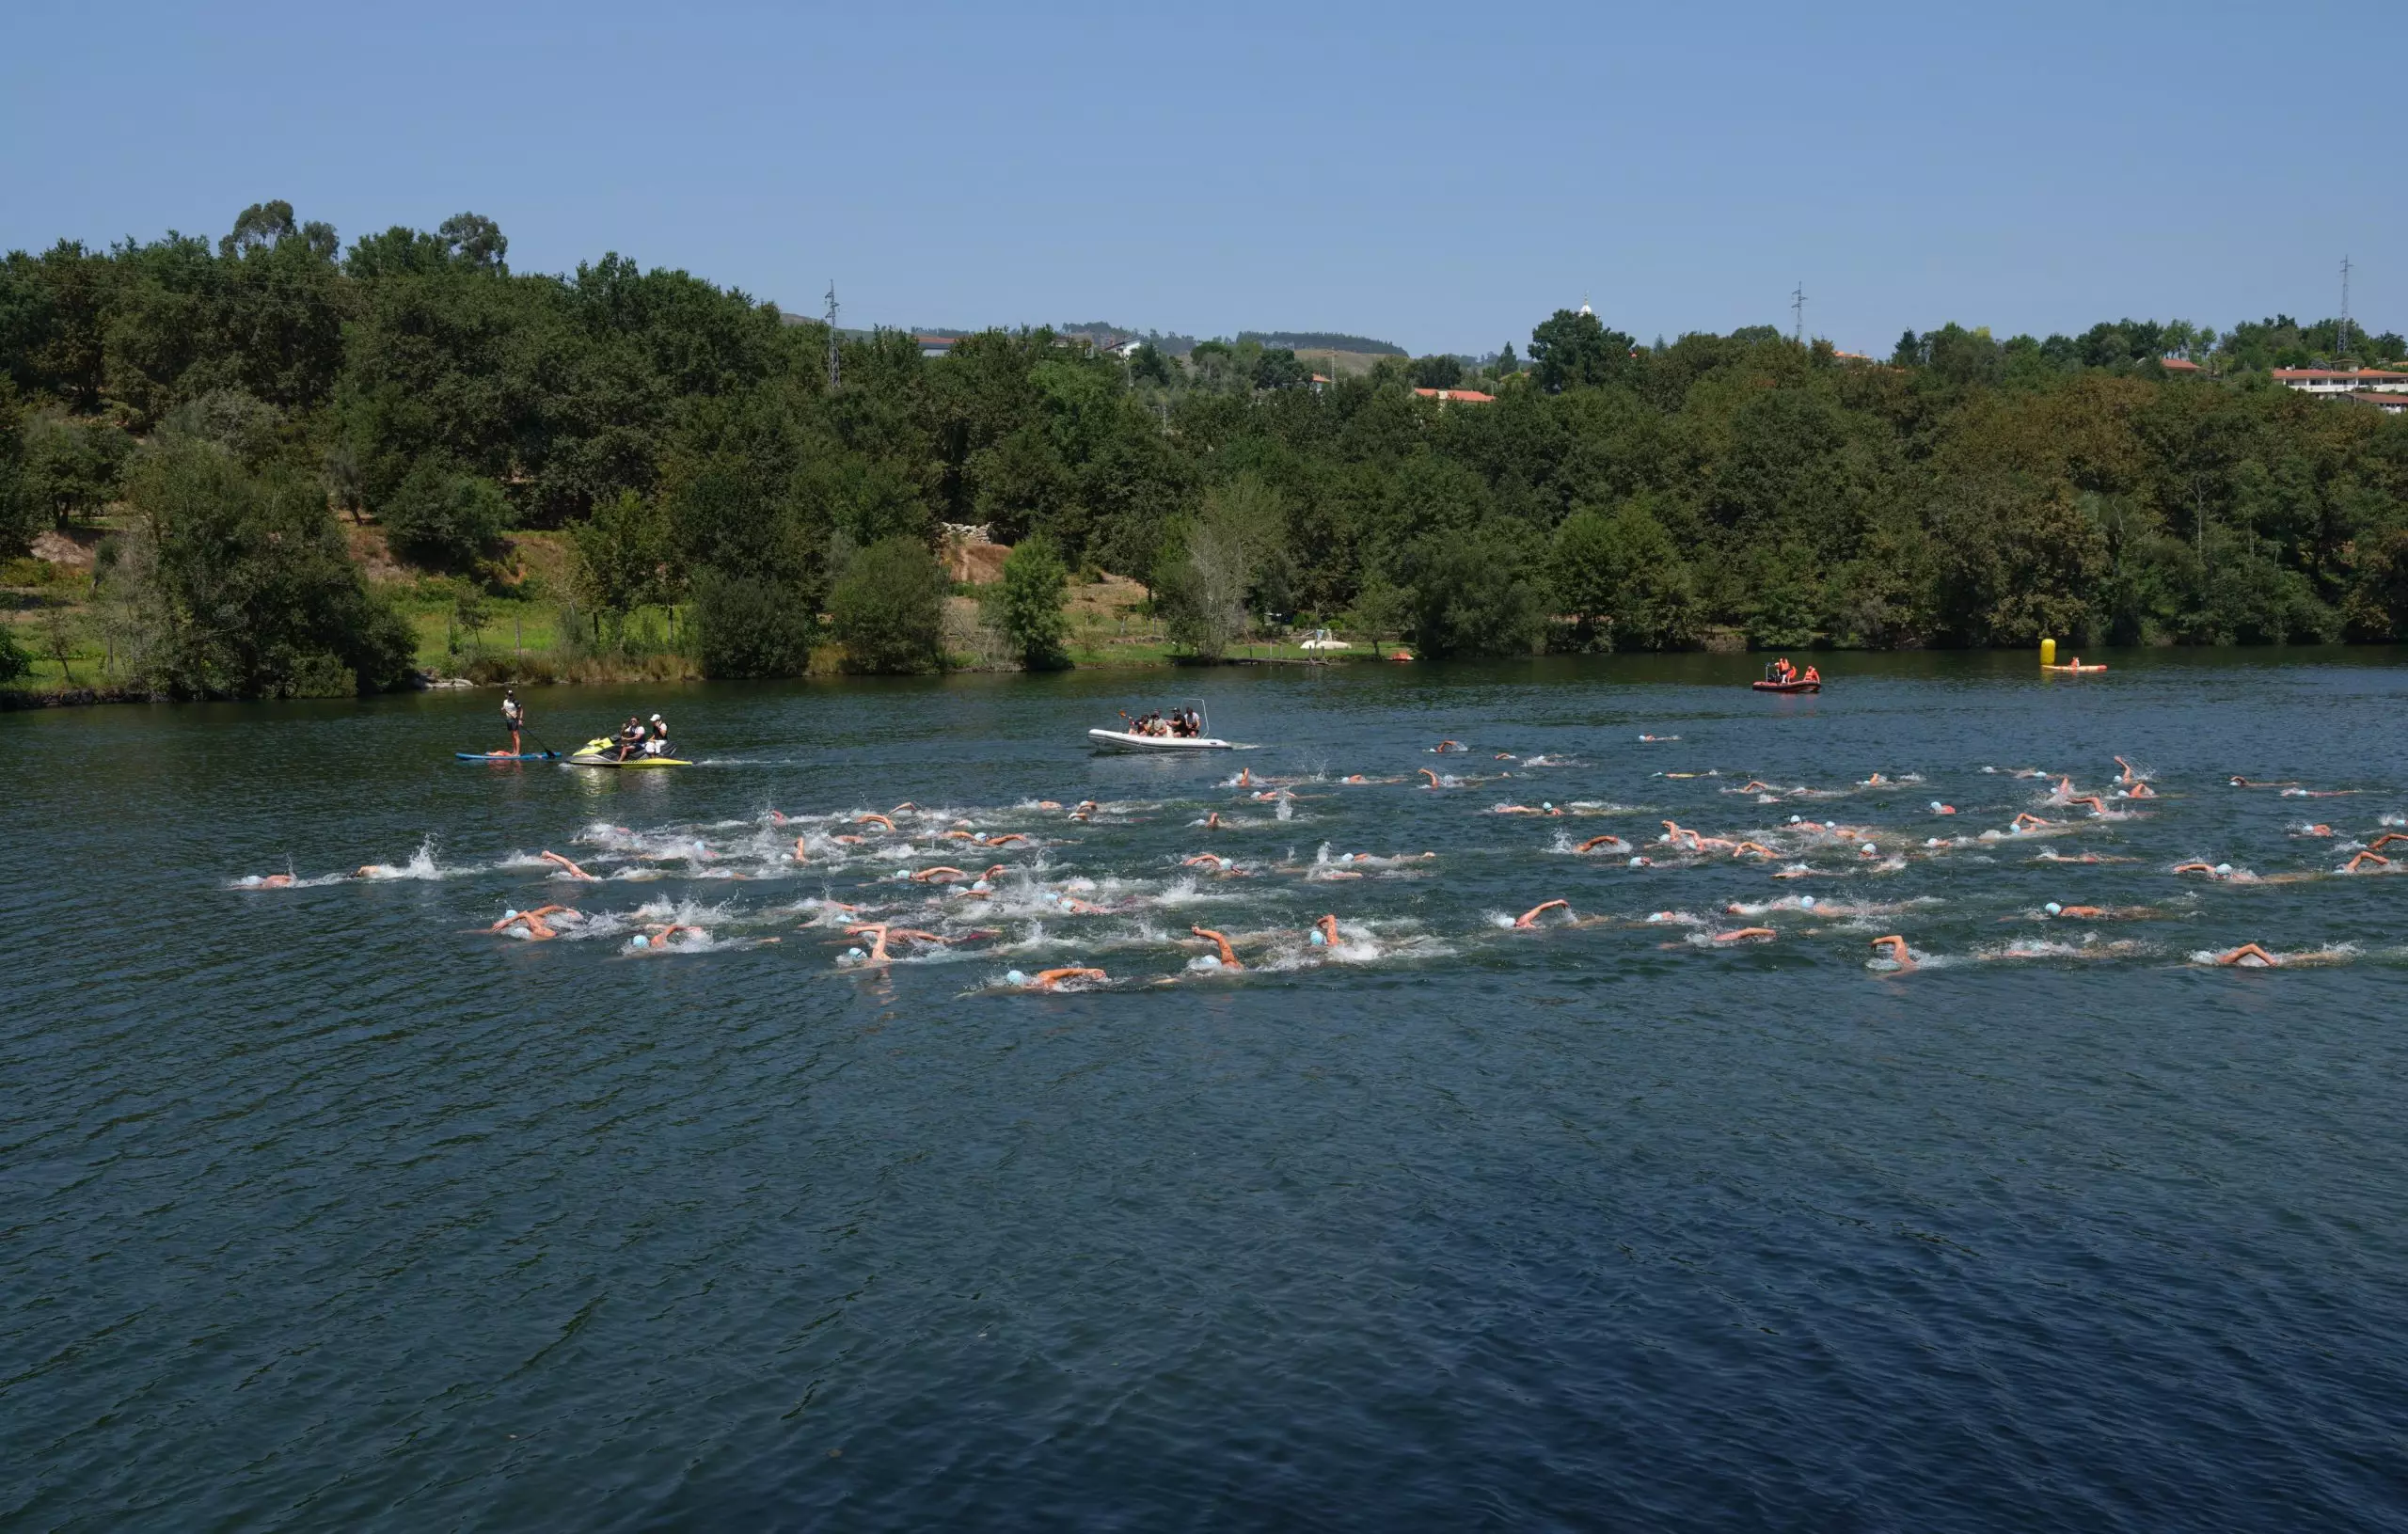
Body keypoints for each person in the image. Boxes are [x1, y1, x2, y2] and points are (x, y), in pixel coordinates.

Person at [500, 688, 526, 754]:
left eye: (511, 695)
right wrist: (502, 710)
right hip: (508, 720)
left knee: (516, 735)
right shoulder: (505, 702)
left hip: (514, 720)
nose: (510, 696)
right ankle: (514, 751)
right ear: (506, 695)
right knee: (512, 736)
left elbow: (521, 710)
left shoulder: (516, 702)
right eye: (509, 695)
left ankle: (517, 753)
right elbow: (504, 711)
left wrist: (520, 720)